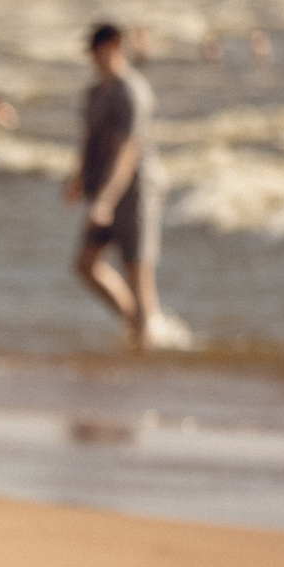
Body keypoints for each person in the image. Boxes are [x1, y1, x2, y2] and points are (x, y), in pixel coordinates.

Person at [64, 22, 174, 349]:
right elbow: (89, 141)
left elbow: (129, 151)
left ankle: (145, 348)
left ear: (113, 46)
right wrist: (79, 180)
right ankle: (142, 326)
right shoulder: (95, 92)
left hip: (136, 193)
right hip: (102, 193)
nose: (94, 60)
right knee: (85, 264)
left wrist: (107, 202)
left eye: (97, 51)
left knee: (139, 279)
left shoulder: (133, 91)